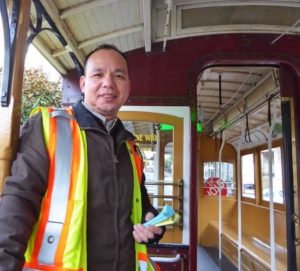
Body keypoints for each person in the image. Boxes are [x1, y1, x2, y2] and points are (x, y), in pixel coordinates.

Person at [0, 44, 164, 271]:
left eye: (119, 75)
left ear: (128, 86)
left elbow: (141, 203)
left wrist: (152, 224)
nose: (109, 82)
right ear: (83, 84)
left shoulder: (130, 147)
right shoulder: (49, 127)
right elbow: (18, 201)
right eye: (98, 74)